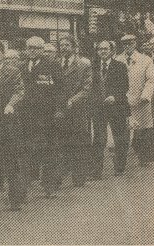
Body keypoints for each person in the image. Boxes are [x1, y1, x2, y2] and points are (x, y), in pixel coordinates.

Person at [0, 40, 26, 211]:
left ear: (2, 54)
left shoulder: (12, 71)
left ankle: (15, 199)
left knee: (11, 161)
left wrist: (11, 104)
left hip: (7, 122)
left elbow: (20, 91)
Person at [19, 36, 63, 197]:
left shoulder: (52, 65)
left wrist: (59, 109)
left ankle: (49, 186)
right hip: (26, 117)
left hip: (47, 116)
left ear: (42, 50)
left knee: (49, 152)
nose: (32, 51)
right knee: (26, 151)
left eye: (36, 48)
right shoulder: (22, 66)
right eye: (29, 47)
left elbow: (60, 90)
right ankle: (22, 189)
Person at [55, 36, 93, 186]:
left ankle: (79, 178)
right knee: (61, 143)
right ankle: (58, 177)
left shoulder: (84, 65)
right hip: (61, 110)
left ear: (74, 47)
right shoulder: (56, 63)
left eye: (67, 45)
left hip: (77, 111)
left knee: (78, 144)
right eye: (61, 45)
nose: (63, 48)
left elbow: (87, 89)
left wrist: (72, 100)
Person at [91, 40, 130, 177]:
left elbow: (125, 86)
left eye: (105, 49)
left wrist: (115, 97)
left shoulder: (120, 66)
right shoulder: (93, 66)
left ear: (111, 51)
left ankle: (119, 167)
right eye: (100, 49)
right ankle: (96, 171)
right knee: (99, 138)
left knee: (120, 138)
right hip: (99, 108)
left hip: (116, 107)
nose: (103, 51)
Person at [117, 35, 154, 166]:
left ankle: (143, 158)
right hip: (123, 101)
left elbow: (150, 80)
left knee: (142, 131)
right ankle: (121, 162)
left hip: (141, 100)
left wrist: (145, 95)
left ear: (135, 44)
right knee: (123, 131)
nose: (127, 46)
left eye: (130, 43)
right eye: (125, 44)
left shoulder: (146, 60)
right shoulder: (117, 59)